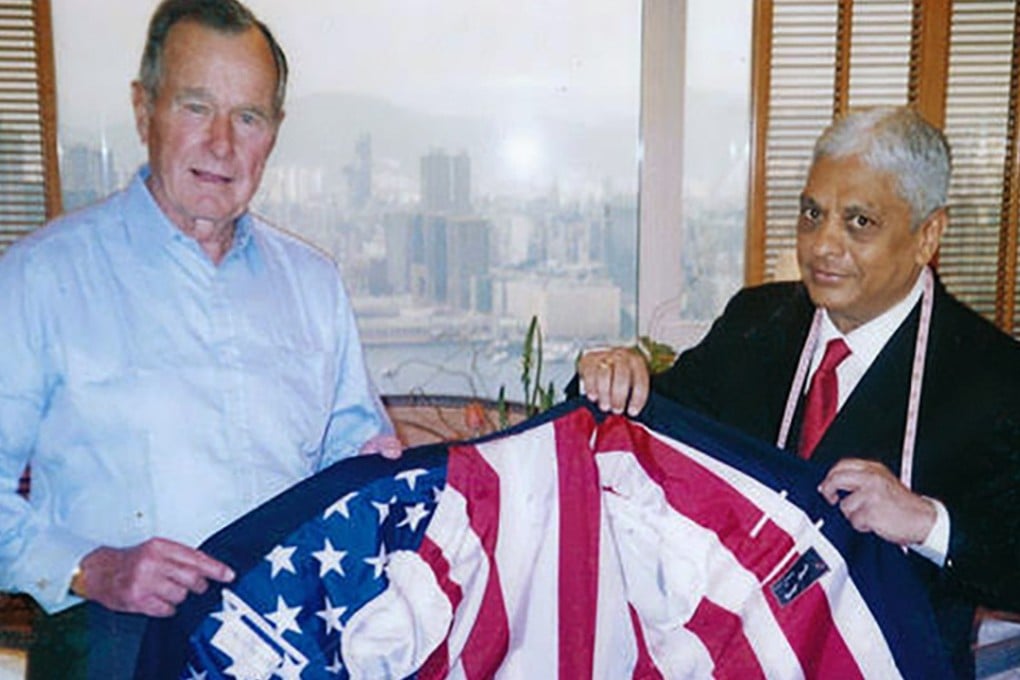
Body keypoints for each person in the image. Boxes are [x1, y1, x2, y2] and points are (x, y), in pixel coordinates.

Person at [0, 0, 398, 676]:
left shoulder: (314, 284)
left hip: (288, 645)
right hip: (114, 648)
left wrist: (375, 470)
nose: (221, 144)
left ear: (273, 133)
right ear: (142, 109)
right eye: (194, 107)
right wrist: (88, 567)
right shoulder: (39, 279)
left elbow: (349, 459)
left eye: (248, 117)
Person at [577, 106, 1020, 677]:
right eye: (813, 214)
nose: (822, 246)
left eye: (859, 222)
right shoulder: (757, 322)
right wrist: (611, 375)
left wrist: (927, 522)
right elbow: (651, 425)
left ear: (927, 235)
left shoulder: (992, 376)